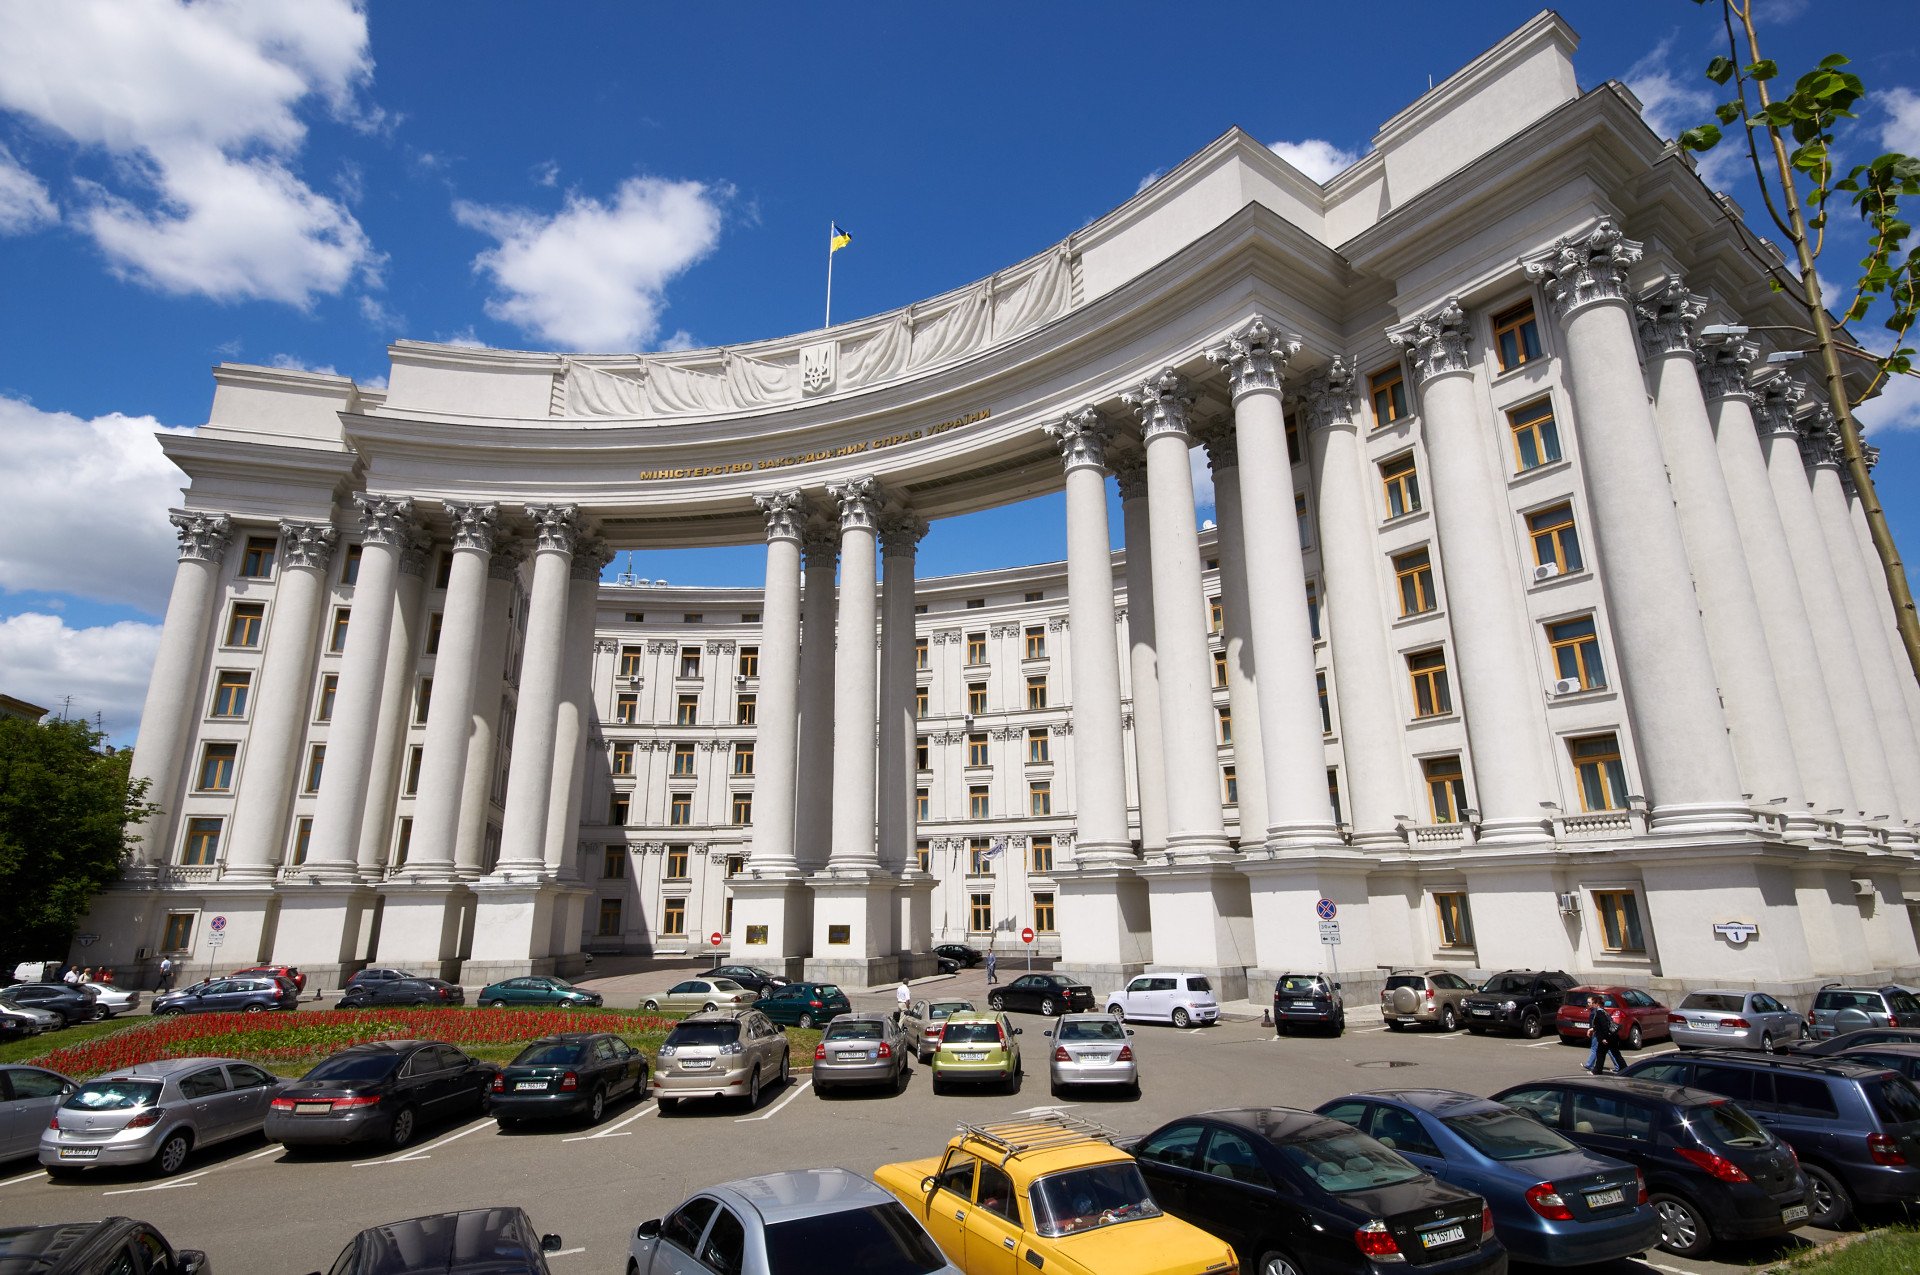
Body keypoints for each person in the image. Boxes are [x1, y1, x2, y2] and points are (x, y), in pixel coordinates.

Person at [1586, 995, 1625, 1074]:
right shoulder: (1604, 1012)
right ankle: (1624, 1068)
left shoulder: (1599, 1013)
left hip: (1606, 1037)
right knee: (1615, 1053)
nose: (1592, 1004)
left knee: (1600, 1054)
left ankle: (1597, 1071)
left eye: (1593, 1003)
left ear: (1597, 1004)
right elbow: (1601, 1026)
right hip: (1611, 1036)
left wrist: (1603, 1038)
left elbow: (1604, 1027)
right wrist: (1592, 1029)